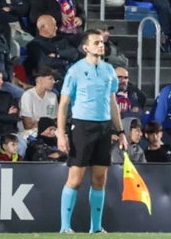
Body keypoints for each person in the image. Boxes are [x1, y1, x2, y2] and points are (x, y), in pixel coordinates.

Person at [56, 28, 127, 234]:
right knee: (75, 178)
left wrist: (120, 131)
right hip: (82, 127)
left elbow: (112, 102)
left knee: (99, 179)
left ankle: (95, 228)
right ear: (85, 47)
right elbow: (63, 104)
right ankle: (64, 227)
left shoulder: (109, 70)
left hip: (104, 127)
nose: (101, 45)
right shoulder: (75, 71)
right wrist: (61, 133)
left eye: (102, 42)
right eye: (96, 42)